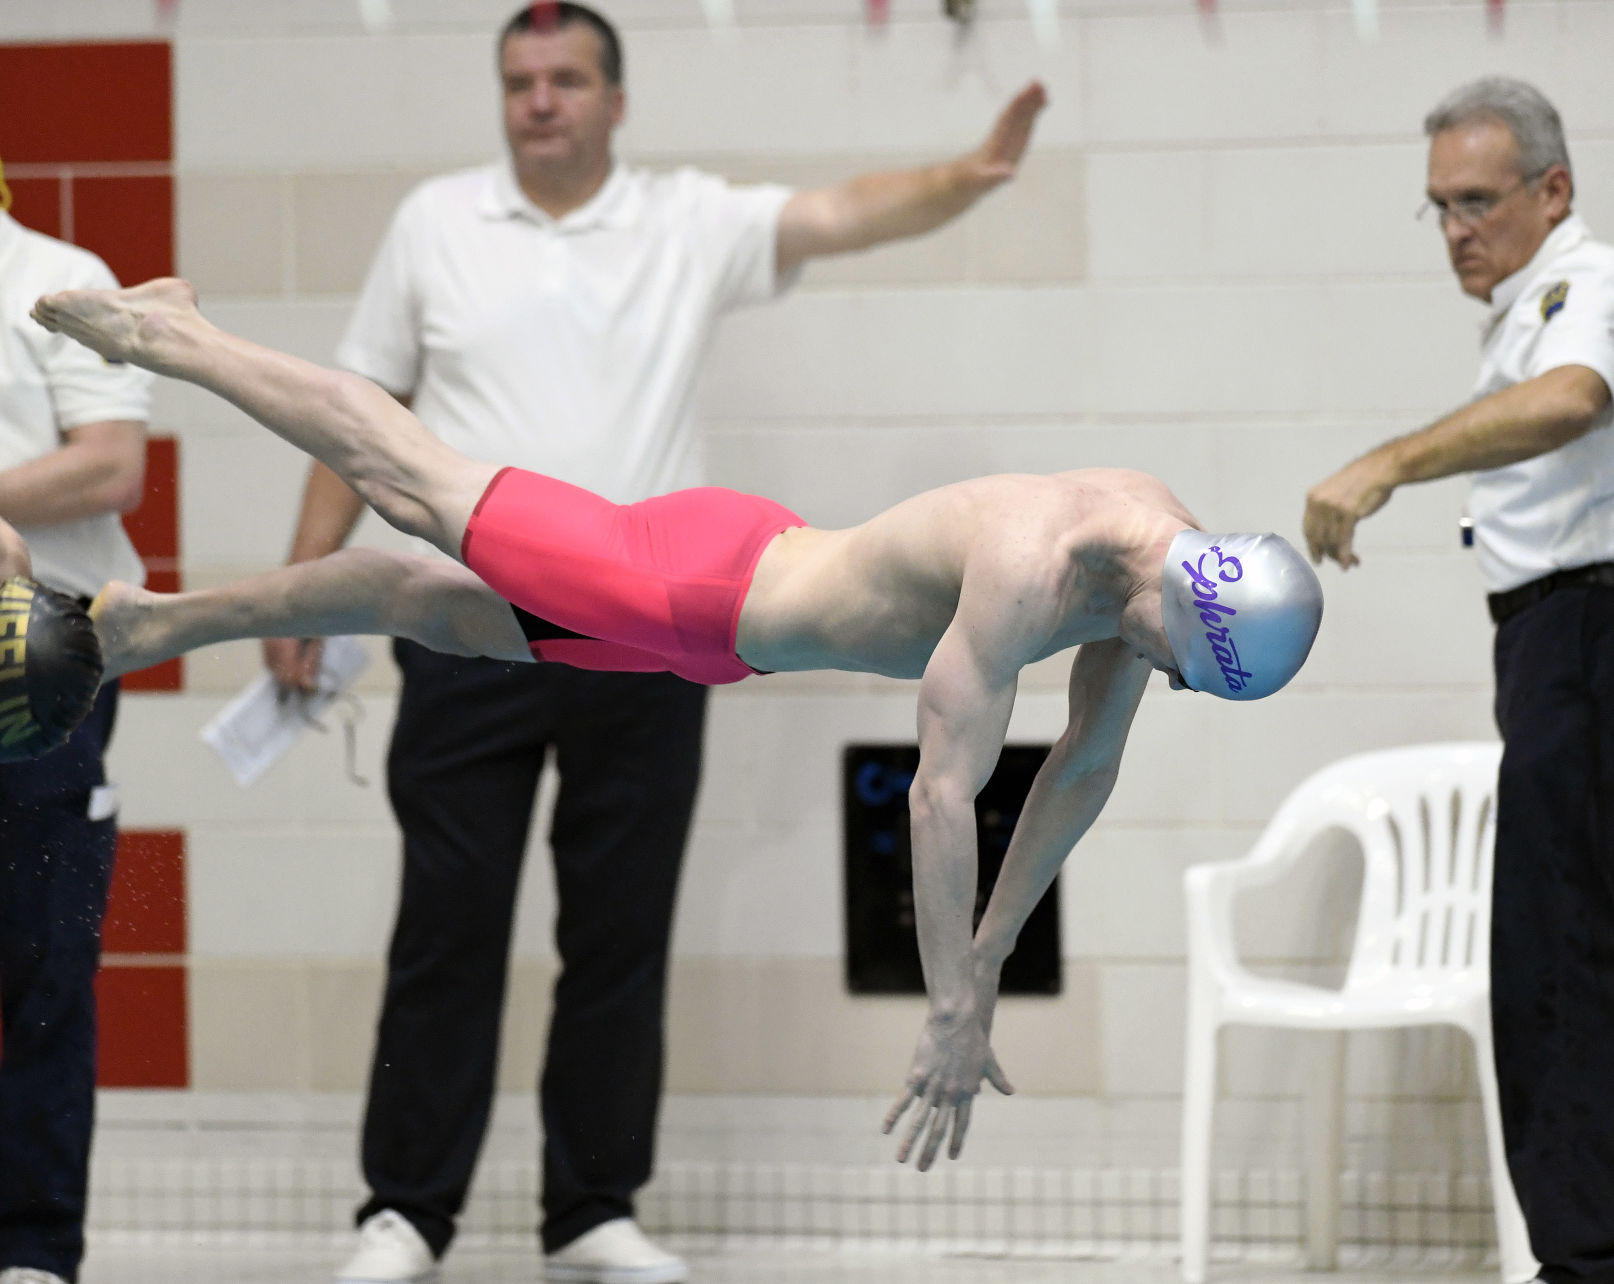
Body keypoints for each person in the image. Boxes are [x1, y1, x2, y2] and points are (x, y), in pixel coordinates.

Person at [33, 273, 1322, 1192]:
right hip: (698, 588)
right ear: (1182, 609)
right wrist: (948, 1000)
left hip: (714, 630)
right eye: (1184, 671)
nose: (1167, 682)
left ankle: (156, 626)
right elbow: (946, 797)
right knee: (414, 488)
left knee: (430, 608)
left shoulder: (1164, 559)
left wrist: (984, 968)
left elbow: (1081, 775)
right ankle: (179, 335)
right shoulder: (1038, 564)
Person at [258, 3, 1049, 1281]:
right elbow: (360, 413)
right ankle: (404, 1215)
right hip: (469, 628)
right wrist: (310, 587)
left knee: (617, 936)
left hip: (648, 634)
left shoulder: (686, 220)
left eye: (568, 78)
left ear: (616, 100)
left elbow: (843, 213)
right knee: (447, 925)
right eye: (520, 79)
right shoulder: (435, 225)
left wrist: (967, 179)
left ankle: (590, 1213)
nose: (541, 100)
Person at [1303, 77, 1614, 1284]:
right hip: (1555, 648)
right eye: (1436, 209)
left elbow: (1575, 397)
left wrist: (1388, 460)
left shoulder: (1589, 285)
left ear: (1555, 191)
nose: (1454, 232)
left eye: (1478, 202)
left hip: (1583, 644)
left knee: (1560, 966)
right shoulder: (1532, 301)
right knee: (1566, 958)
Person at [0, 198, 152, 1284]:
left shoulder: (58, 276)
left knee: (43, 965)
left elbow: (108, 467)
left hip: (38, 668)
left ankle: (37, 1251)